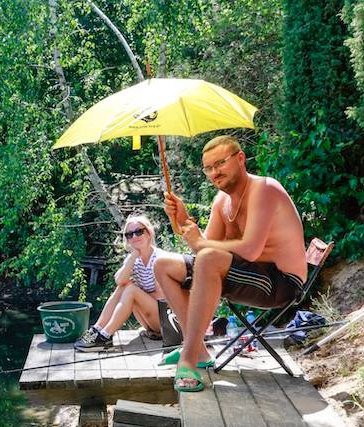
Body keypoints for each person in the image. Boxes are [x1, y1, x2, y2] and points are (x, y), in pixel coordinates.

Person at [153, 135, 307, 392]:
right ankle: (199, 351)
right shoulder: (221, 201)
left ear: (240, 159)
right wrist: (181, 220)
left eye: (220, 163)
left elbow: (249, 249)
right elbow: (205, 247)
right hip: (246, 274)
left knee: (208, 258)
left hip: (280, 282)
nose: (215, 172)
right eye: (209, 168)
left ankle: (187, 359)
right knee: (163, 265)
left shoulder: (264, 189)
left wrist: (202, 245)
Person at [74, 214, 166, 352]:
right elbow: (119, 281)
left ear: (148, 233)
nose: (134, 237)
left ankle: (105, 336)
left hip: (165, 323)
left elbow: (162, 299)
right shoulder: (134, 259)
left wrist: (137, 294)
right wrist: (134, 255)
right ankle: (97, 329)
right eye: (129, 234)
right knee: (125, 286)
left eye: (139, 231)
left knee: (131, 290)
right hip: (149, 324)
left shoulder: (160, 259)